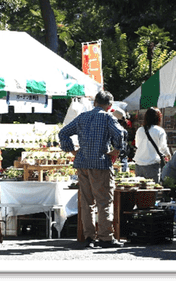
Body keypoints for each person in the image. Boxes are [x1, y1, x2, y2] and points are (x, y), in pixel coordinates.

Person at [58, 90, 126, 249]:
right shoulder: (108, 117)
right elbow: (120, 134)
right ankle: (106, 238)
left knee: (87, 202)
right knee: (104, 202)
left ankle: (89, 237)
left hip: (82, 163)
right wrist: (116, 150)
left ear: (95, 102)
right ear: (110, 106)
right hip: (101, 163)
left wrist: (73, 150)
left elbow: (63, 133)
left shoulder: (82, 116)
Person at [134, 107, 171, 182]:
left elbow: (137, 145)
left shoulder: (140, 130)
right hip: (152, 163)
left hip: (139, 163)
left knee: (139, 190)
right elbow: (163, 147)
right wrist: (168, 155)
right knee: (153, 189)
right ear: (158, 118)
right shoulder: (159, 130)